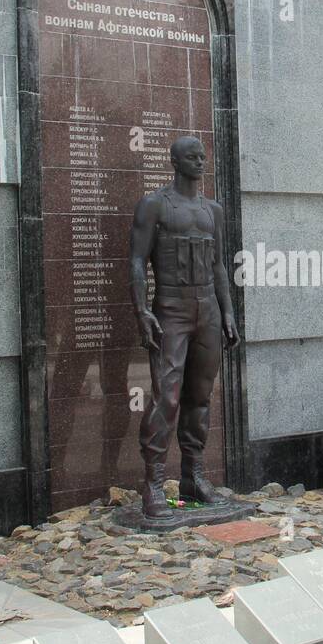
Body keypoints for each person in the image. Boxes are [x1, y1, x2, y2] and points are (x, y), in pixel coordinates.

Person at [128, 136, 239, 518]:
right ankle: (155, 484)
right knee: (166, 397)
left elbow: (220, 265)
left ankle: (193, 478)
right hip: (171, 308)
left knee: (200, 397)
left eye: (202, 156)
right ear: (174, 161)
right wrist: (142, 310)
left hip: (207, 308)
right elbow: (137, 261)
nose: (200, 162)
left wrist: (228, 312)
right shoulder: (155, 204)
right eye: (192, 157)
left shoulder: (214, 210)